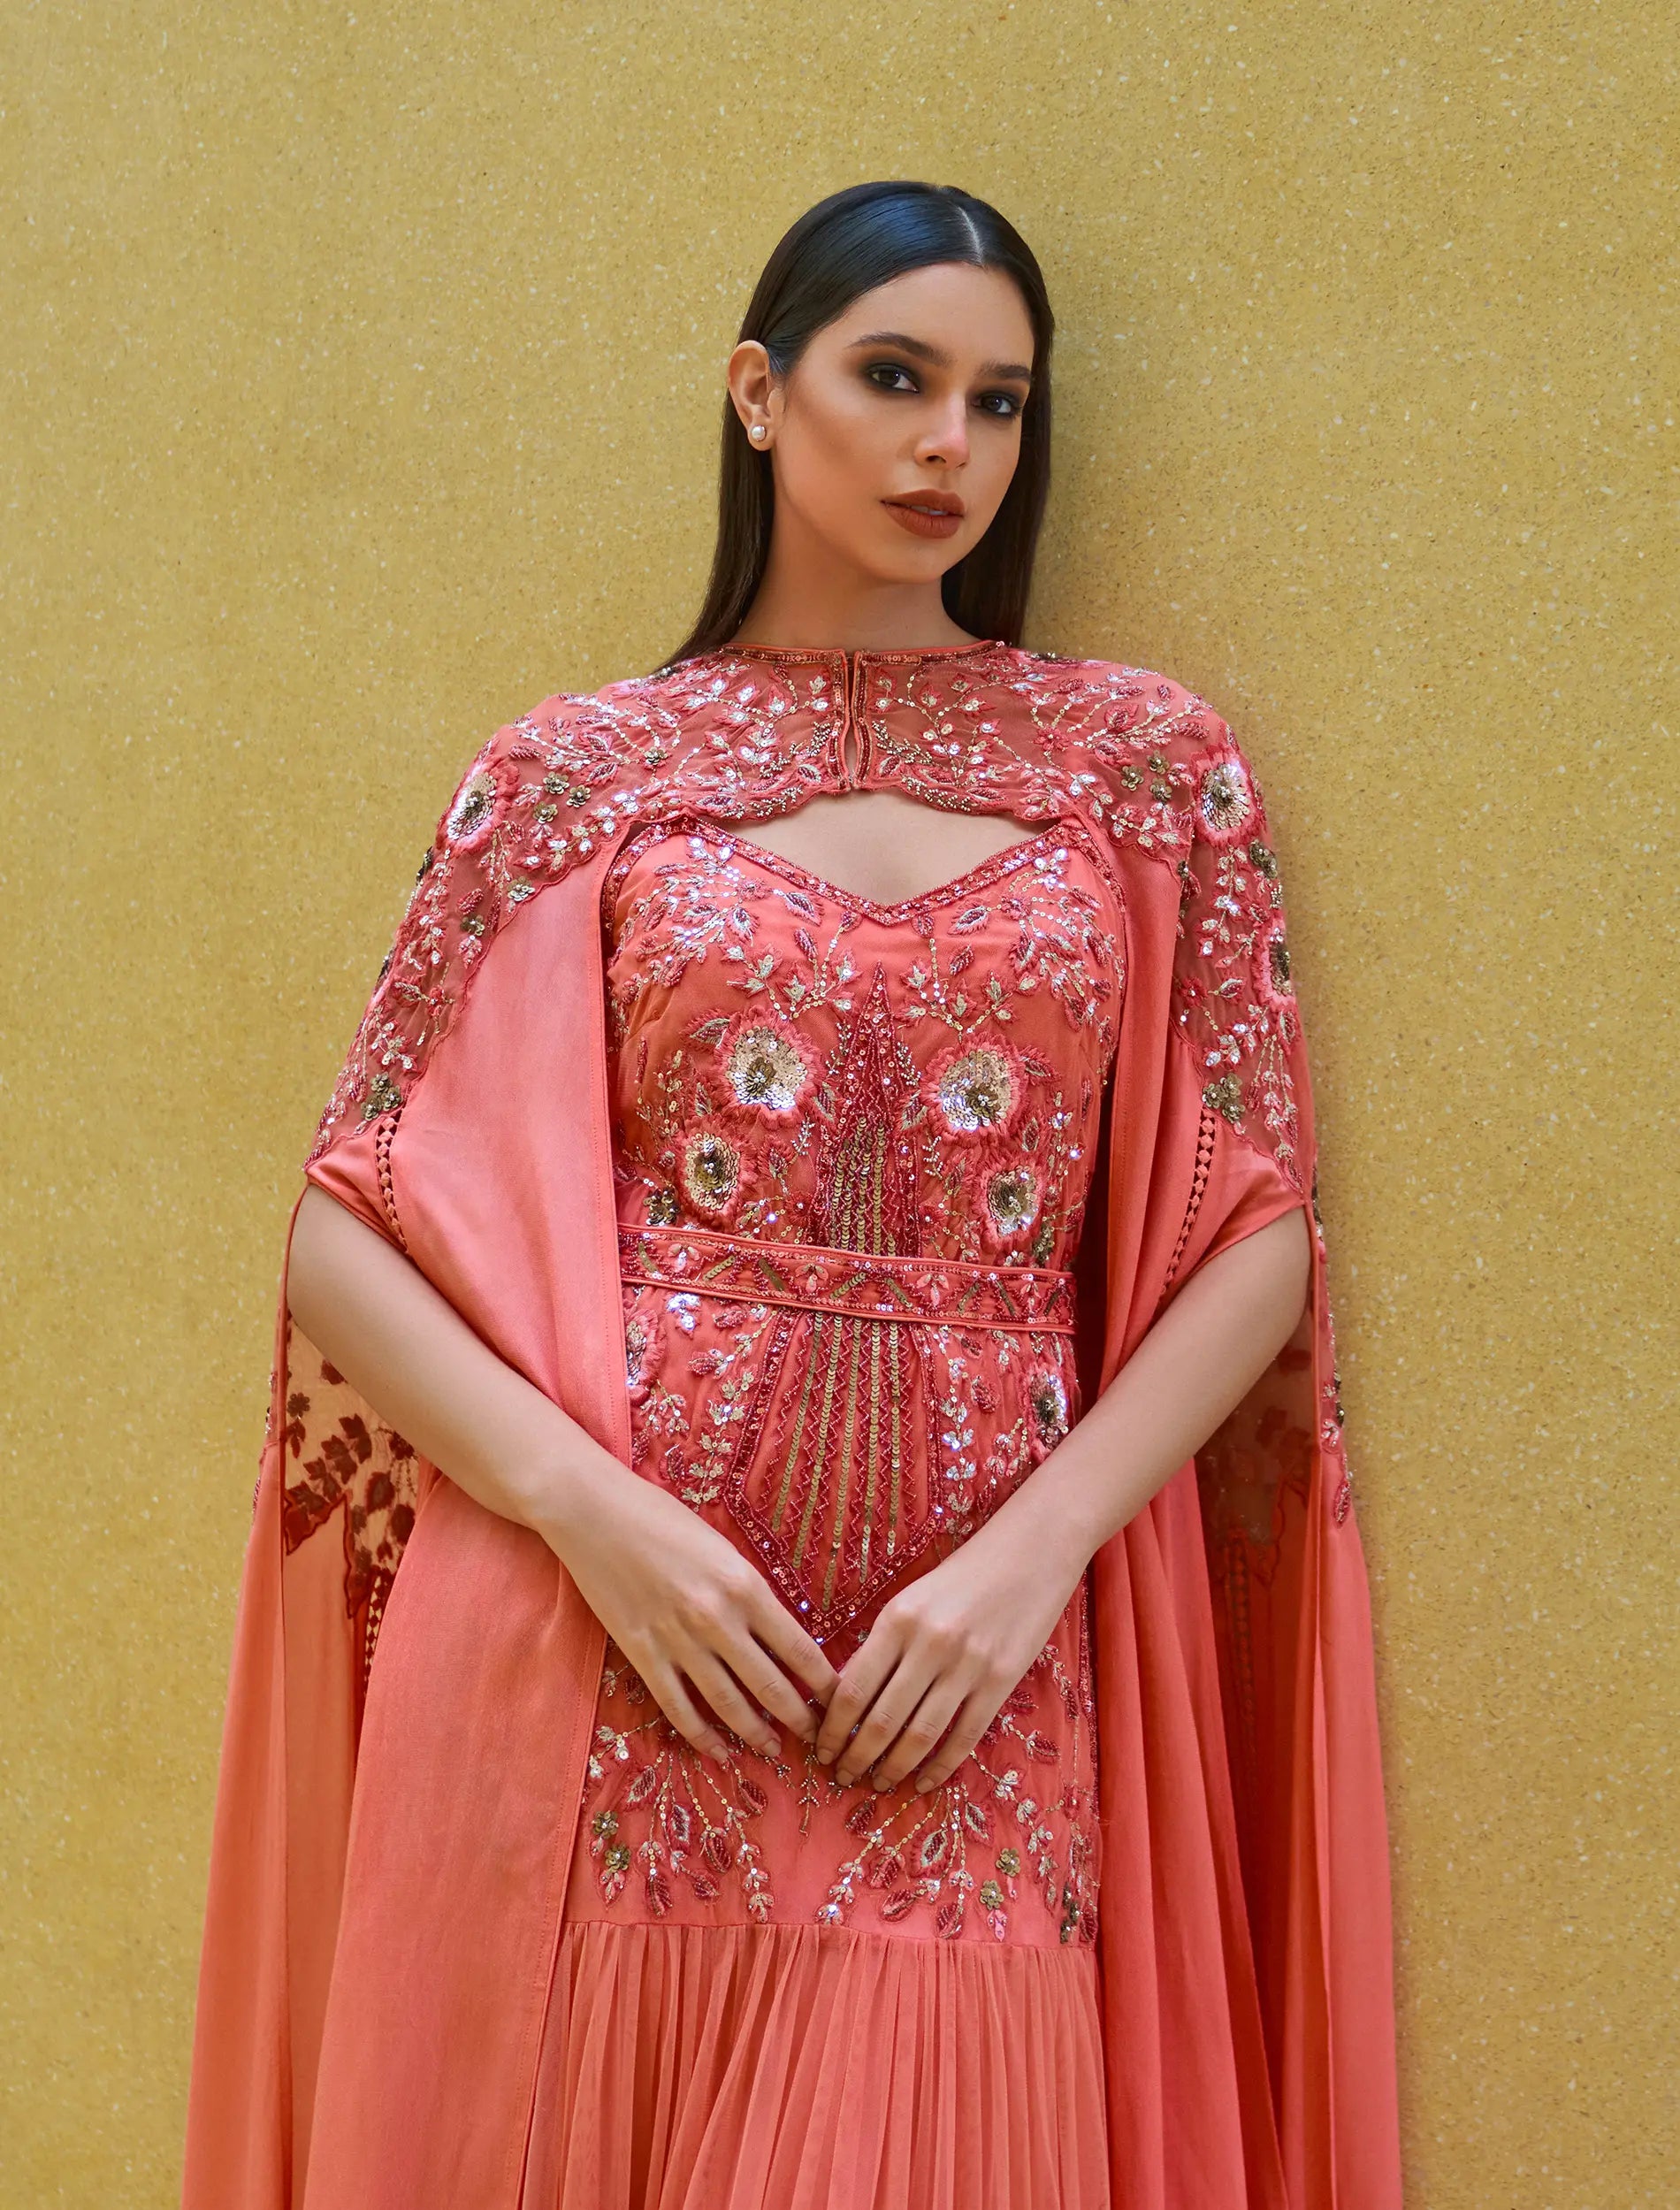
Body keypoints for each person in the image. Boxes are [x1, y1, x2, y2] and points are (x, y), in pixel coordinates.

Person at [180, 180, 1401, 2210]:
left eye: (996, 401)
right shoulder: (578, 773)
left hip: (976, 1688)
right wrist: (596, 1519)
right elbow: (345, 1226)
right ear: (758, 392)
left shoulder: (1139, 767)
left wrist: (1037, 1555)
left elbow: (1252, 1232)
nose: (948, 444)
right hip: (614, 1663)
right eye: (893, 376)